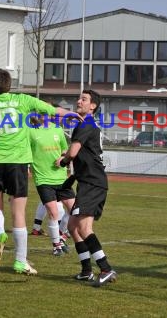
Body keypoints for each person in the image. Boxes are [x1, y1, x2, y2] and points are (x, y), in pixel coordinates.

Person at [0, 67, 71, 275]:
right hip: (18, 161)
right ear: (10, 85)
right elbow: (52, 110)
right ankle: (20, 261)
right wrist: (73, 114)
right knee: (18, 212)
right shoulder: (23, 100)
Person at [55, 90, 117, 287]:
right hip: (89, 182)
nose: (78, 101)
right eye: (79, 98)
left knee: (84, 228)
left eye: (84, 99)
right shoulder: (86, 124)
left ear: (93, 106)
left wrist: (63, 160)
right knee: (73, 227)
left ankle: (106, 268)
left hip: (92, 182)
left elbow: (73, 153)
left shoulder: (85, 123)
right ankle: (86, 271)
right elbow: (81, 152)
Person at [29, 115, 75, 256]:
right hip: (43, 179)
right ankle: (56, 246)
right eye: (43, 112)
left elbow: (64, 149)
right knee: (53, 213)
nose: (47, 115)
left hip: (61, 178)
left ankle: (61, 237)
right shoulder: (31, 132)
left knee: (74, 210)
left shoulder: (58, 130)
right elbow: (26, 152)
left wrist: (63, 157)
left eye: (49, 112)